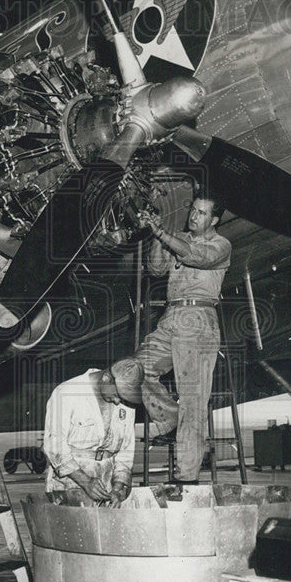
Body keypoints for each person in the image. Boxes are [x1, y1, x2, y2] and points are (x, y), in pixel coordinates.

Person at [129, 193, 232, 484]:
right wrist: (156, 237)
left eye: (202, 213)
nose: (194, 216)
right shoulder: (177, 239)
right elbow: (156, 269)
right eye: (193, 210)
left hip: (198, 320)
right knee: (132, 371)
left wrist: (162, 233)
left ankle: (186, 478)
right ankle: (169, 418)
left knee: (193, 400)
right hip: (171, 317)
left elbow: (198, 257)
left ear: (214, 220)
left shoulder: (221, 245)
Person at [41, 360, 142, 505]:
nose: (118, 401)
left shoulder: (125, 403)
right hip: (70, 482)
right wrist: (86, 482)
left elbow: (126, 451)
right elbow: (55, 446)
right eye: (117, 394)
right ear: (106, 378)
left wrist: (118, 487)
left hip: (107, 482)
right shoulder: (67, 393)